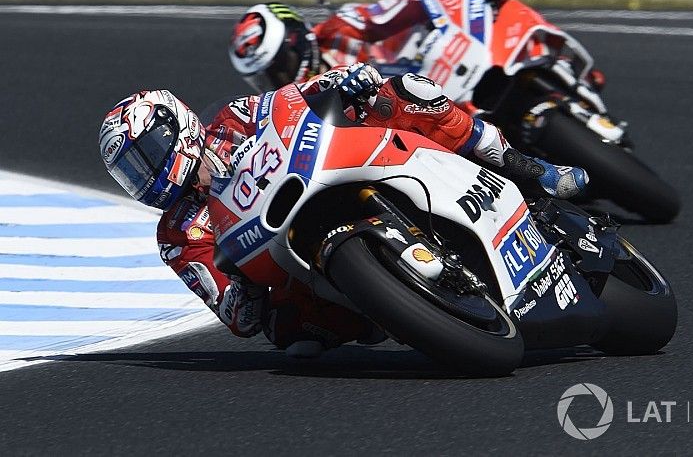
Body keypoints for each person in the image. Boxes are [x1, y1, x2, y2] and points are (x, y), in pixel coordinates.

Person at [99, 63, 588, 358]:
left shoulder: (233, 119)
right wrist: (237, 299)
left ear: (174, 125)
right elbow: (233, 312)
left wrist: (346, 82)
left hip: (332, 167)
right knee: (291, 336)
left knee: (409, 93)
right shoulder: (177, 234)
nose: (142, 179)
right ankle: (398, 307)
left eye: (142, 159)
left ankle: (528, 167)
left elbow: (293, 98)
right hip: (293, 256)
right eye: (130, 173)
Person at [228, 0, 605, 110]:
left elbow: (414, 1)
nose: (276, 82)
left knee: (497, 6)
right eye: (265, 79)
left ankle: (564, 72)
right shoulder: (303, 105)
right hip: (421, 122)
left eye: (277, 69)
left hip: (442, 70)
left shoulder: (342, 28)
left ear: (296, 40)